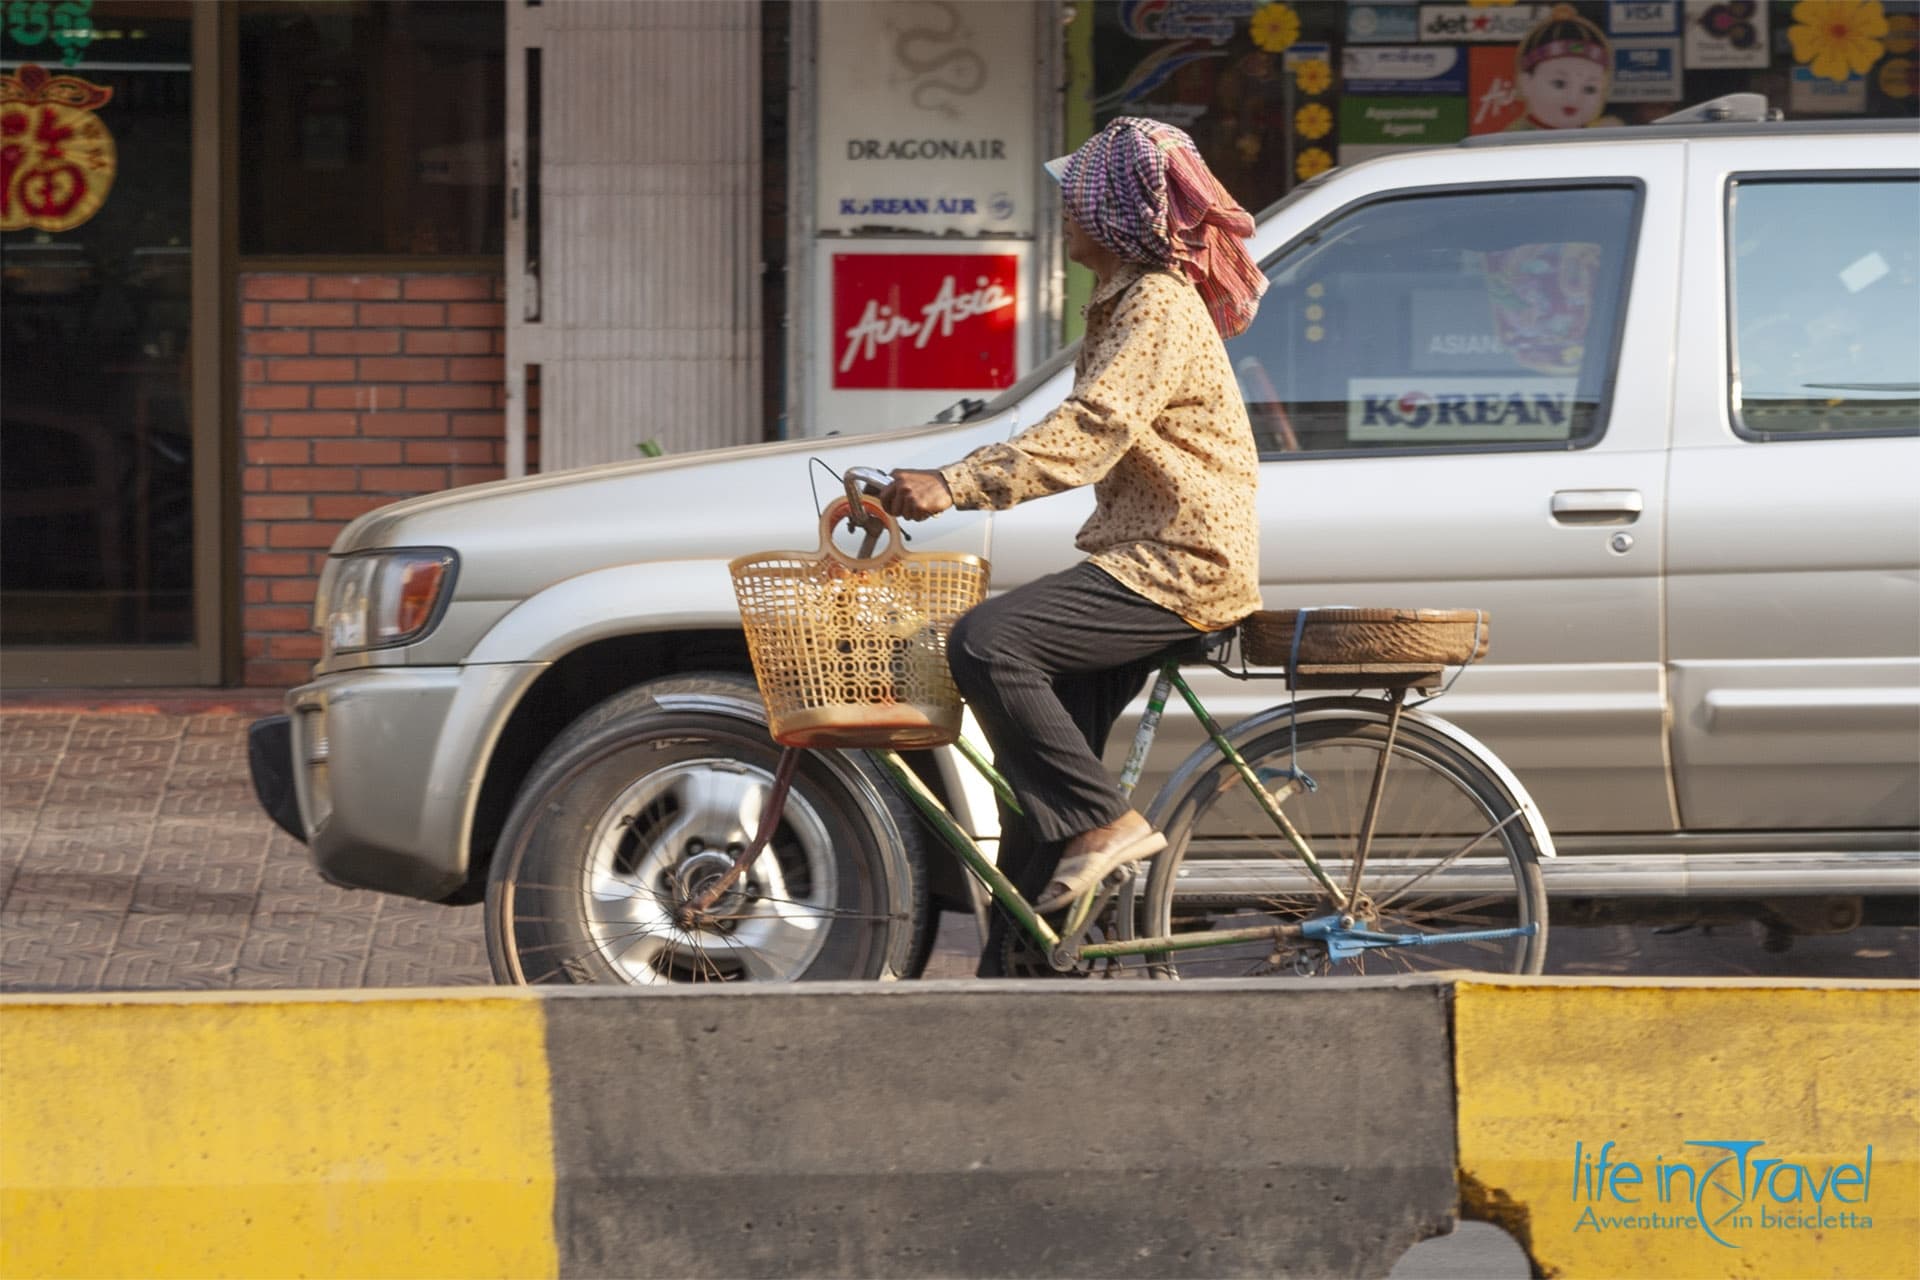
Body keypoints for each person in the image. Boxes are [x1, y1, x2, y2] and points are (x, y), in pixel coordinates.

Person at [878, 117, 1266, 975]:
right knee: (1035, 792)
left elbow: (1091, 430)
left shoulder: (1156, 303)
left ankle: (1108, 823)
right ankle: (1017, 976)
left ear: (1117, 210)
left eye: (1078, 196)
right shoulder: (1125, 298)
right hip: (1142, 553)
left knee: (985, 641)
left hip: (1178, 563)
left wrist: (958, 484)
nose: (1064, 209)